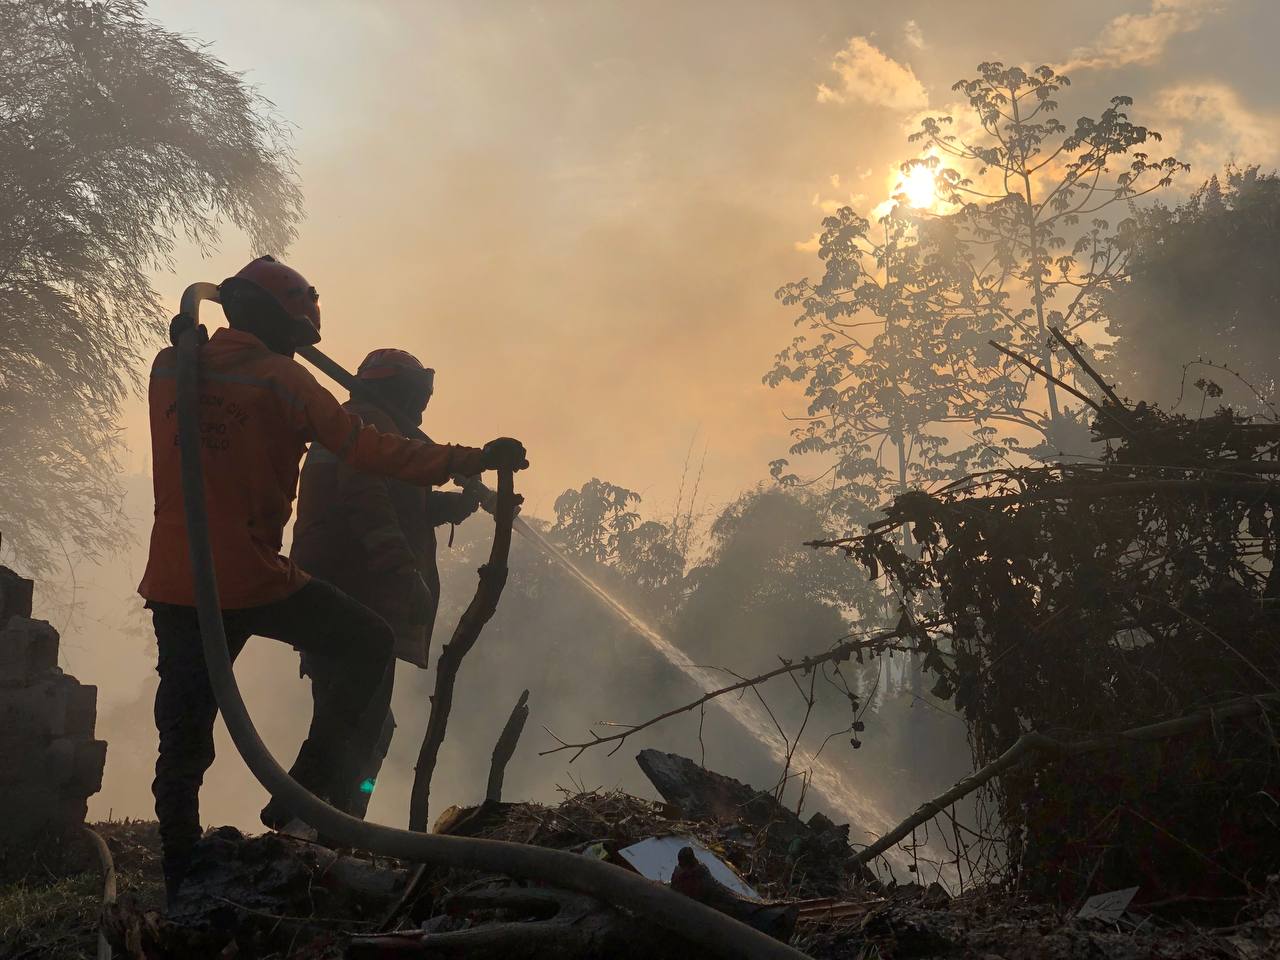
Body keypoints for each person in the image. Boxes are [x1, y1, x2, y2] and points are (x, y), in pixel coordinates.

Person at [137, 256, 527, 905]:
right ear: (279, 323)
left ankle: (183, 860)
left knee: (183, 727)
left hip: (176, 577)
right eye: (298, 332)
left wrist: (189, 337)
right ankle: (315, 792)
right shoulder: (286, 381)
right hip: (256, 576)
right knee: (367, 644)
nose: (302, 345)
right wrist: (472, 457)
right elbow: (371, 452)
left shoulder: (171, 366)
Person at [267, 347, 481, 823]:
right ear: (399, 391)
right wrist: (403, 574)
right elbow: (364, 500)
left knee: (360, 721)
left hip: (340, 593)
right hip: (353, 597)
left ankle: (328, 817)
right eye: (418, 396)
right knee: (358, 723)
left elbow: (396, 502)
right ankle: (320, 820)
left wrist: (451, 507)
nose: (423, 409)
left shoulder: (369, 427)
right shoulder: (365, 426)